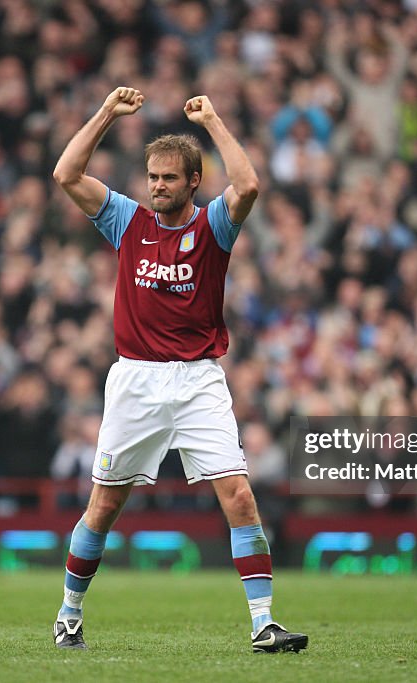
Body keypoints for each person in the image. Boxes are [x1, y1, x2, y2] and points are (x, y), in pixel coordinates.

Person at [51, 86, 308, 653]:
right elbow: (66, 173)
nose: (158, 185)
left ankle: (263, 622)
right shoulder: (126, 221)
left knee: (239, 495)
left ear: (193, 181)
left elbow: (249, 185)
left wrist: (213, 120)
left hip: (197, 380)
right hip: (136, 380)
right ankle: (69, 612)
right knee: (104, 505)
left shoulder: (214, 227)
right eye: (153, 176)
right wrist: (105, 114)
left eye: (170, 177)